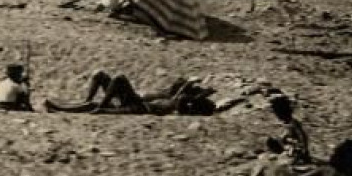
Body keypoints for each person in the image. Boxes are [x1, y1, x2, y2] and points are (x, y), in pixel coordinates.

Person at [43, 71, 223, 116]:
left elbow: (183, 97)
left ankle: (64, 109)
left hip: (139, 107)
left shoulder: (176, 103)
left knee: (119, 80)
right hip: (136, 102)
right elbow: (179, 91)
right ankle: (76, 104)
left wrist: (195, 88)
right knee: (100, 76)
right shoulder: (170, 95)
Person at [269, 94, 311, 164]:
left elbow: (302, 136)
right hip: (291, 146)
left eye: (277, 114)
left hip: (296, 148)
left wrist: (304, 150)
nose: (277, 116)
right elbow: (287, 134)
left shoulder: (293, 123)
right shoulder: (287, 123)